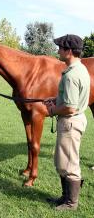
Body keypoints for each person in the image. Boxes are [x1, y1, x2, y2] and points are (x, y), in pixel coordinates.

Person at [45, 34, 90, 211]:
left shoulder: (71, 75)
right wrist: (56, 100)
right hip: (74, 121)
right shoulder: (80, 69)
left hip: (71, 121)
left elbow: (70, 108)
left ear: (69, 51)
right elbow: (71, 99)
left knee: (70, 163)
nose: (58, 51)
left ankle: (71, 203)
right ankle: (65, 197)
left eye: (60, 48)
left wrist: (53, 110)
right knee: (63, 161)